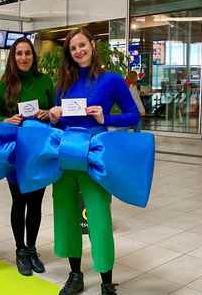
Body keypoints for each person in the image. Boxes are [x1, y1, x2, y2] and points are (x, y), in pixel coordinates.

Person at [48, 28, 140, 295]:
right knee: (65, 215)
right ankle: (74, 274)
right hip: (65, 156)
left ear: (92, 44)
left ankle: (106, 281)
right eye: (73, 48)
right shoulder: (63, 83)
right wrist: (54, 116)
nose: (78, 51)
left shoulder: (111, 80)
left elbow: (133, 116)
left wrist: (106, 119)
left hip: (95, 155)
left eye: (82, 45)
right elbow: (60, 119)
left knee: (99, 217)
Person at [0, 37, 54, 276]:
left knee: (36, 202)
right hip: (16, 153)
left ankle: (32, 248)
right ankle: (20, 250)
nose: (24, 57)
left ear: (33, 56)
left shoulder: (45, 81)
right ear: (13, 57)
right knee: (19, 202)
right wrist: (4, 120)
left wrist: (48, 113)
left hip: (39, 151)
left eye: (28, 53)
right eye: (19, 54)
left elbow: (56, 112)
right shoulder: (4, 84)